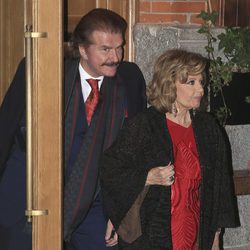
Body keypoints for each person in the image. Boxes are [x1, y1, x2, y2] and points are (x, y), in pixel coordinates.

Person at [0, 8, 147, 250]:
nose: (116, 57)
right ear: (82, 49)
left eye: (119, 47)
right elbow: (6, 130)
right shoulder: (39, 70)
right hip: (31, 197)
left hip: (95, 201)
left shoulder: (129, 79)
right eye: (105, 49)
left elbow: (135, 150)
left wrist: (120, 209)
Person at [100, 49, 240, 250]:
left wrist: (215, 236)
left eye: (201, 82)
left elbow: (220, 187)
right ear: (169, 84)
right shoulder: (145, 125)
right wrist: (147, 176)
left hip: (197, 235)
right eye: (191, 82)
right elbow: (112, 170)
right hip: (153, 234)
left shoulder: (207, 127)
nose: (200, 89)